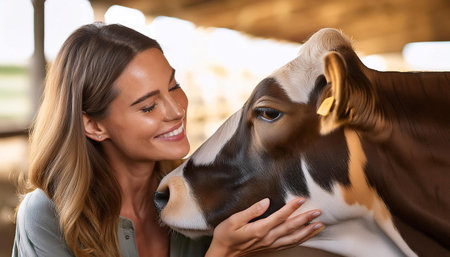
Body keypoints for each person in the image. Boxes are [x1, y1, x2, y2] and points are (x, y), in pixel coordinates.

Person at [12, 22, 324, 257]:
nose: (177, 110)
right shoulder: (47, 216)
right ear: (94, 126)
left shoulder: (201, 189)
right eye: (148, 106)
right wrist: (222, 252)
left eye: (173, 86)